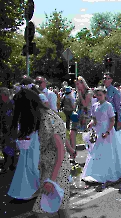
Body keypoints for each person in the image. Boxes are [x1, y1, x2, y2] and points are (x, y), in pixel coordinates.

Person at [12, 87, 71, 217]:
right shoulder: (42, 117)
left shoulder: (48, 119)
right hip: (48, 169)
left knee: (42, 211)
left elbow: (60, 151)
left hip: (57, 170)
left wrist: (52, 180)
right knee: (60, 207)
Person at [82, 86, 121, 192]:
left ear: (104, 95)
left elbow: (112, 120)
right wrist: (91, 124)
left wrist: (107, 131)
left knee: (107, 152)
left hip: (106, 131)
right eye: (97, 95)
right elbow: (94, 119)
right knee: (95, 152)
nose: (98, 96)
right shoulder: (94, 106)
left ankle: (109, 174)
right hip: (97, 131)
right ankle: (94, 173)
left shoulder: (108, 106)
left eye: (100, 94)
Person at [8, 82, 43, 200]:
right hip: (28, 141)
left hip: (34, 141)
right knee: (26, 165)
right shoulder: (29, 109)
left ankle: (36, 187)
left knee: (32, 165)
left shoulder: (34, 112)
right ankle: (28, 188)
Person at [68, 76, 93, 162]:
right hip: (77, 115)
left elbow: (85, 104)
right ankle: (72, 155)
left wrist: (80, 94)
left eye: (78, 84)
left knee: (89, 136)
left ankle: (93, 154)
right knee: (72, 133)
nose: (77, 86)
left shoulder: (89, 92)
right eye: (76, 84)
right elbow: (75, 105)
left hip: (86, 116)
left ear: (83, 83)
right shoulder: (77, 92)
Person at [0, 87, 15, 174]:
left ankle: (12, 164)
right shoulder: (1, 104)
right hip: (3, 128)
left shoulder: (12, 104)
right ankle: (6, 163)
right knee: (4, 146)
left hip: (11, 129)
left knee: (11, 146)